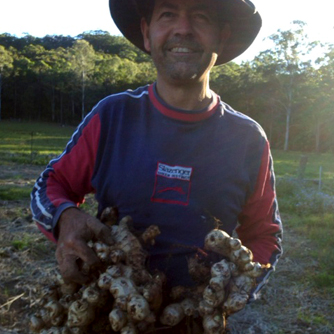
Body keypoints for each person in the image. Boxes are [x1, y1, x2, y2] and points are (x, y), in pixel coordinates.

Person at [31, 0, 282, 315]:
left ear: (222, 36)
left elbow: (265, 236)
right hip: (108, 312)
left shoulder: (249, 140)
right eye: (168, 14)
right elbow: (49, 186)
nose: (183, 28)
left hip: (197, 318)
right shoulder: (112, 117)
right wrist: (64, 218)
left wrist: (236, 289)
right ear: (147, 33)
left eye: (201, 16)